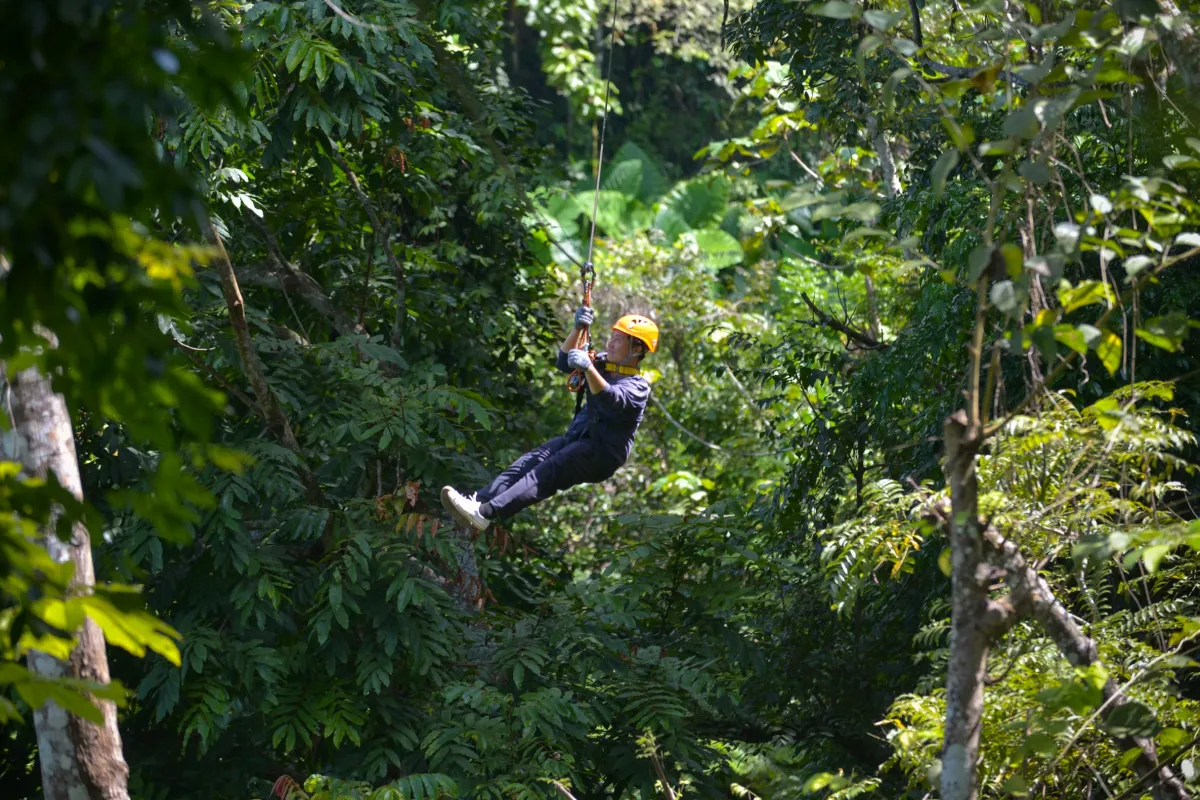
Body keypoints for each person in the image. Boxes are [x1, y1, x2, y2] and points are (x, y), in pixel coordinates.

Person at [440, 306, 659, 531]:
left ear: (636, 348)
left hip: (601, 453)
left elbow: (610, 399)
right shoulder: (602, 363)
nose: (610, 344)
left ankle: (485, 514)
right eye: (612, 338)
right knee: (529, 462)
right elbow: (564, 363)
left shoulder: (637, 387)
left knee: (548, 471)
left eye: (618, 340)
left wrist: (588, 368)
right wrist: (577, 330)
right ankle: (478, 502)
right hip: (578, 439)